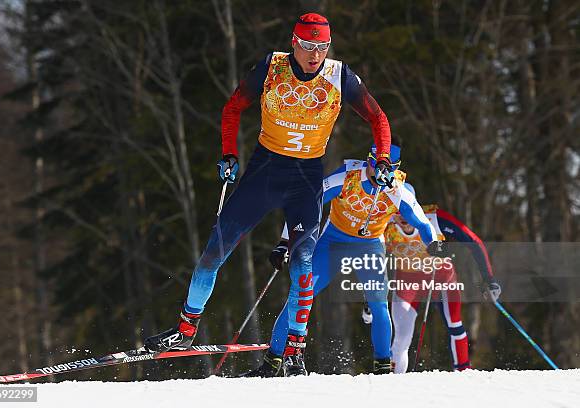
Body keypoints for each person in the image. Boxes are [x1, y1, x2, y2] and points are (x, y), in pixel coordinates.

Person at [143, 13, 394, 376]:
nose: (315, 55)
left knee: (303, 266)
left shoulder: (341, 75)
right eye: (308, 46)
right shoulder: (272, 66)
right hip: (265, 170)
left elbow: (379, 118)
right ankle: (185, 329)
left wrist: (383, 157)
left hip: (306, 177)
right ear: (294, 42)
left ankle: (293, 350)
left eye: (322, 47)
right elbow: (232, 108)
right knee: (215, 251)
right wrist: (229, 153)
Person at [244, 144, 446, 377]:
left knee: (379, 304)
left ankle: (382, 367)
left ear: (395, 169)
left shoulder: (398, 191)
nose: (379, 173)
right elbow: (306, 204)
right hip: (333, 241)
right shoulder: (347, 177)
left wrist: (434, 245)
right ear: (368, 160)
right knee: (301, 292)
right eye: (373, 164)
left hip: (369, 246)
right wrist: (284, 242)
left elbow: (422, 223)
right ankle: (273, 361)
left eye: (386, 169)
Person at [383, 183, 501, 373]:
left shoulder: (434, 219)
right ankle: (390, 379)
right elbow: (371, 259)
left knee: (455, 324)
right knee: (401, 337)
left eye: (406, 210)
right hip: (407, 282)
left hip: (441, 278)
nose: (403, 218)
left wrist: (489, 279)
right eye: (397, 211)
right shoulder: (384, 224)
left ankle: (462, 373)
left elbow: (473, 242)